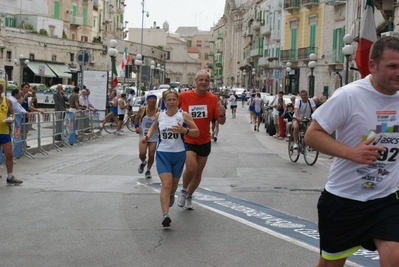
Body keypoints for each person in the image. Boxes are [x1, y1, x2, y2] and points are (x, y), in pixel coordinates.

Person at [304, 36, 399, 267]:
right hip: (344, 200)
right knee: (330, 264)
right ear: (373, 65)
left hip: (386, 199)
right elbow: (312, 135)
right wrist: (351, 153)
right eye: (392, 66)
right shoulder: (349, 95)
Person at [140, 89, 199, 227]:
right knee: (165, 184)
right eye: (169, 100)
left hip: (178, 154)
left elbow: (197, 132)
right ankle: (165, 215)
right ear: (164, 102)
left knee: (172, 186)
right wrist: (147, 137)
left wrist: (185, 131)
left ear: (177, 101)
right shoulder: (159, 115)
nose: (171, 102)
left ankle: (172, 194)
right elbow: (154, 127)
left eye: (174, 99)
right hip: (163, 153)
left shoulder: (183, 115)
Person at [177, 70, 226, 210]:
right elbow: (171, 108)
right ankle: (183, 190)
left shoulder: (213, 99)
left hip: (204, 140)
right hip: (188, 138)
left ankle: (189, 195)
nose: (203, 82)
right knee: (191, 168)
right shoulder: (184, 96)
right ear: (195, 81)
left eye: (206, 80)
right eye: (201, 80)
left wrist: (222, 114)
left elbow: (220, 122)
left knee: (198, 172)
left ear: (209, 83)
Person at [0, 84, 22, 184]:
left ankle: (10, 177)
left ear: (1, 90)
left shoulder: (6, 101)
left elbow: (12, 113)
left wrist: (12, 119)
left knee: (9, 154)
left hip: (4, 132)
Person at [134, 94, 160, 178]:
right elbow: (137, 118)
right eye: (151, 99)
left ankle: (148, 170)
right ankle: (143, 162)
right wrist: (137, 127)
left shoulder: (158, 111)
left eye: (154, 100)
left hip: (154, 136)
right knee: (142, 153)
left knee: (151, 154)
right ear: (147, 101)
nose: (152, 101)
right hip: (143, 135)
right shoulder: (142, 109)